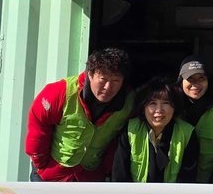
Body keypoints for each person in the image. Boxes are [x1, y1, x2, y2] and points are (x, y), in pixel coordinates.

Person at [25, 47, 135, 182]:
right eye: (103, 79)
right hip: (50, 175)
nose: (108, 87)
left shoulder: (129, 103)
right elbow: (38, 125)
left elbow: (121, 139)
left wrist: (106, 169)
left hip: (91, 177)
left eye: (115, 81)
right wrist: (40, 163)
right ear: (90, 74)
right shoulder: (59, 92)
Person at [112, 76, 199, 184]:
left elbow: (188, 180)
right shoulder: (130, 130)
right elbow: (119, 176)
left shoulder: (187, 133)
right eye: (152, 103)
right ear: (143, 107)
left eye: (166, 103)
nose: (159, 110)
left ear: (174, 107)